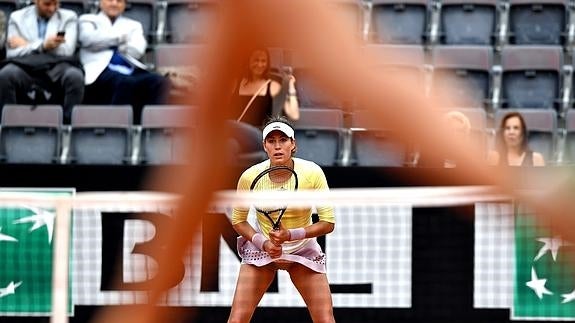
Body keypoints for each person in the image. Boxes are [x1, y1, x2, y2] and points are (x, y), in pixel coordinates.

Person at [228, 115, 335, 323]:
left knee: (325, 319)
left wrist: (291, 235)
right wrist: (264, 242)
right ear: (264, 146)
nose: (278, 146)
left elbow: (328, 223)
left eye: (283, 140)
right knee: (237, 319)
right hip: (263, 252)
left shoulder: (312, 173)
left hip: (303, 250)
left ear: (293, 144)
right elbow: (238, 220)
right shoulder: (250, 177)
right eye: (271, 141)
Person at [78, 0, 170, 123]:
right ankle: (117, 127)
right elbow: (88, 40)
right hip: (99, 70)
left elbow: (137, 50)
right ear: (100, 2)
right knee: (125, 82)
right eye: (110, 0)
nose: (114, 4)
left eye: (119, 1)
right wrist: (121, 38)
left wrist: (105, 40)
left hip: (129, 68)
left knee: (160, 81)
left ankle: (153, 126)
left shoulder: (133, 25)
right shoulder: (88, 20)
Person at [0, 0, 84, 122]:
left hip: (57, 68)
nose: (52, 9)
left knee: (75, 76)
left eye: (56, 4)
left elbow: (66, 51)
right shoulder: (17, 17)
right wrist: (44, 45)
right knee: (6, 75)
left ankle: (67, 127)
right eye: (47, 4)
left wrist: (29, 45)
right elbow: (12, 53)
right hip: (25, 68)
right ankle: (10, 124)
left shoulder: (69, 17)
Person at [234, 48, 300, 126]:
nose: (260, 65)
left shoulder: (273, 86)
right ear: (248, 61)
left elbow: (294, 115)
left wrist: (291, 86)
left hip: (256, 135)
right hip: (235, 133)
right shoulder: (235, 84)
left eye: (263, 61)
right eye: (256, 60)